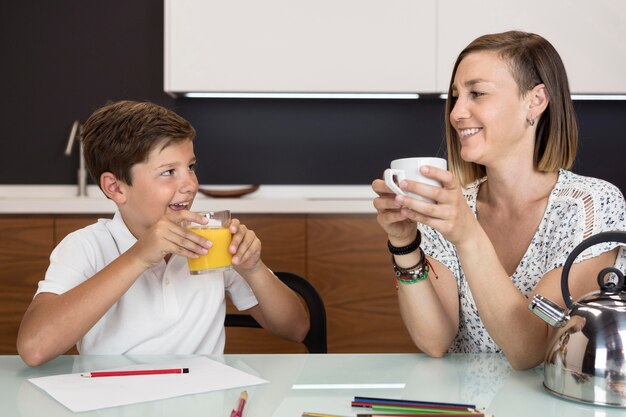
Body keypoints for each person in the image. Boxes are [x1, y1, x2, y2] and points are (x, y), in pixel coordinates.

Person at [372, 31, 626, 370]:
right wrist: (404, 243)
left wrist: (468, 235)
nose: (457, 112)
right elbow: (434, 341)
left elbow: (529, 349)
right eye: (456, 96)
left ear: (535, 101)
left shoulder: (591, 206)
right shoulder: (453, 206)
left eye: (476, 93)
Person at [17, 100, 309, 366]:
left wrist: (253, 269)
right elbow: (34, 348)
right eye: (169, 172)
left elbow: (296, 329)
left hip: (202, 400)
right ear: (116, 188)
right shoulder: (86, 246)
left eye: (191, 167)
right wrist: (139, 257)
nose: (190, 184)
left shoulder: (210, 239)